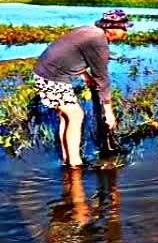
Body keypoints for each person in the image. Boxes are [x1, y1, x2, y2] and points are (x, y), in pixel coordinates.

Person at [33, 9, 131, 166]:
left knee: (66, 117)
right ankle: (75, 163)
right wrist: (109, 112)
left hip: (45, 73)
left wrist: (85, 76)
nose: (126, 31)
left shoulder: (90, 31)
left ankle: (67, 159)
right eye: (124, 28)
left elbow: (73, 54)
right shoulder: (98, 41)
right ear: (113, 29)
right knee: (76, 115)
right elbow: (102, 79)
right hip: (52, 77)